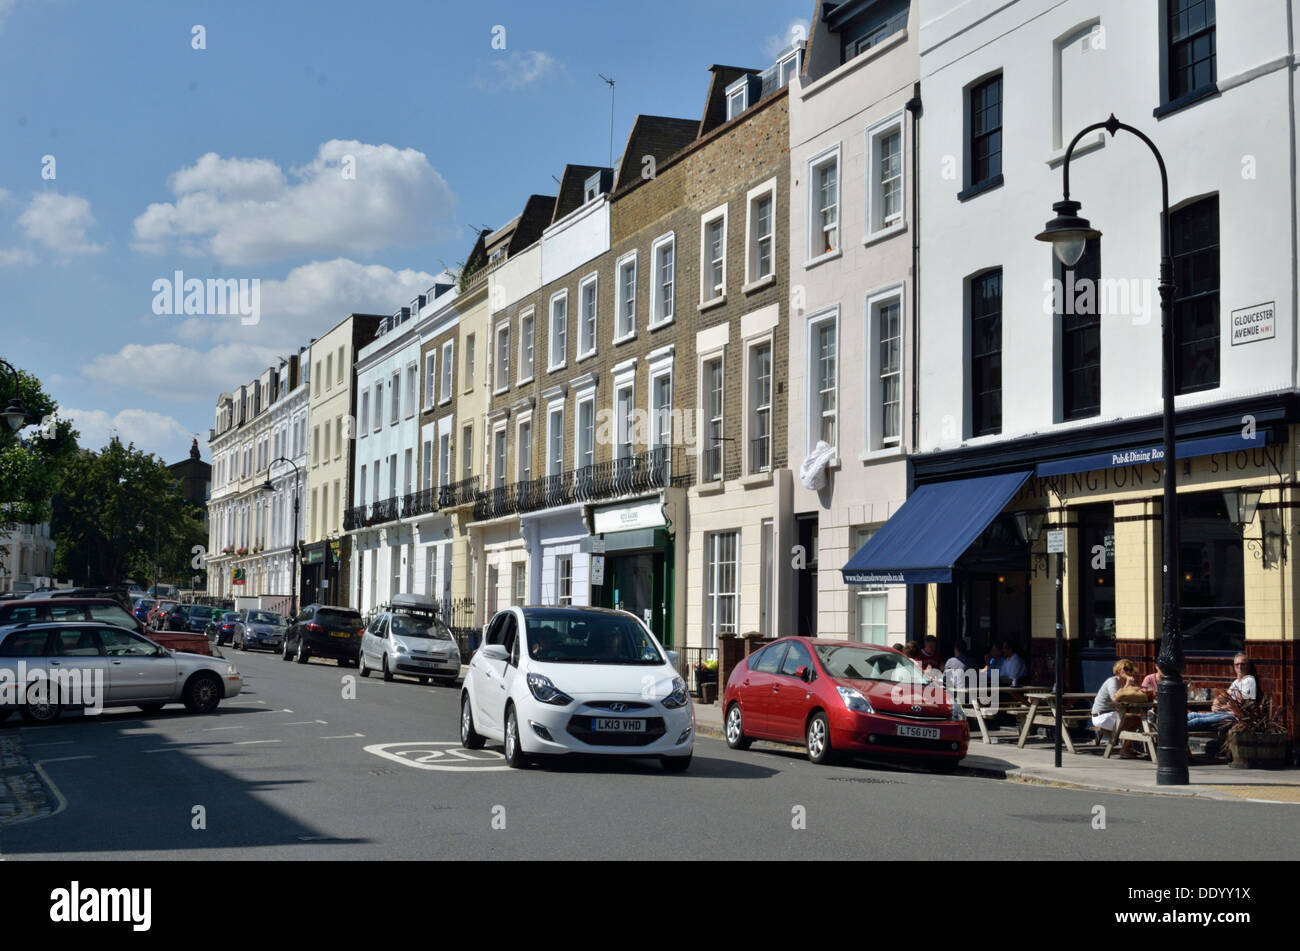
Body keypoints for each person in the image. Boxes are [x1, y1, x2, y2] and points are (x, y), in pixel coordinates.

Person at [1187, 654, 1258, 730]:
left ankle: (1174, 730)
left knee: (1197, 722)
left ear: (1248, 666)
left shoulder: (1249, 680)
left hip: (1236, 719)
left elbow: (1242, 706)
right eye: (1237, 664)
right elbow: (1227, 694)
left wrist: (1221, 707)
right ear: (1234, 667)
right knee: (1192, 715)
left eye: (1242, 664)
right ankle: (1174, 724)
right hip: (1227, 713)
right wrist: (1216, 701)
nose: (1240, 667)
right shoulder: (1236, 682)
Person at [1092, 659, 1143, 756]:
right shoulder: (1112, 681)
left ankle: (1125, 748)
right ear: (1119, 669)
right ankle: (1125, 749)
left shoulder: (1122, 683)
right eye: (1126, 669)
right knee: (1131, 722)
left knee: (1136, 719)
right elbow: (1116, 700)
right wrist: (1128, 684)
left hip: (1112, 714)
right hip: (1102, 716)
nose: (1128, 672)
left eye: (1130, 669)